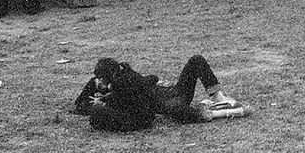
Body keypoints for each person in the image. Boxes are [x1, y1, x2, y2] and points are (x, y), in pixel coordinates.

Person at [72, 55, 241, 132]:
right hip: (172, 96)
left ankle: (218, 98)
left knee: (195, 62)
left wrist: (105, 95)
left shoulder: (121, 85)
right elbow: (152, 78)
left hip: (170, 99)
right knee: (196, 61)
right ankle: (218, 98)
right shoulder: (126, 78)